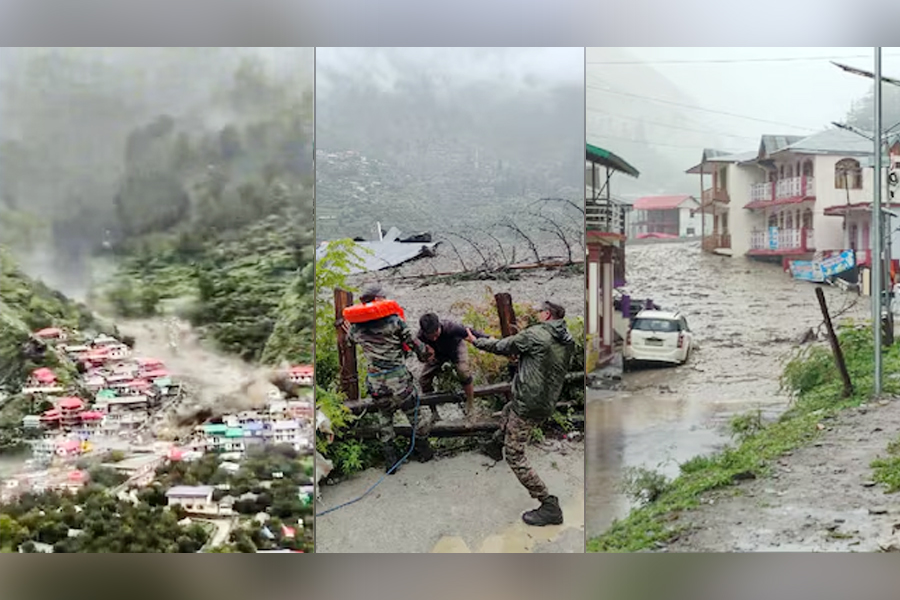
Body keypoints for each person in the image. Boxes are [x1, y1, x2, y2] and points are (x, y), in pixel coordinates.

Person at [466, 300, 574, 527]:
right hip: (545, 400)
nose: (537, 315)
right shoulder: (566, 338)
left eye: (539, 312)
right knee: (508, 410)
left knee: (515, 455)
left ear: (547, 314)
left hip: (529, 403)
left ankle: (549, 505)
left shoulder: (535, 335)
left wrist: (475, 341)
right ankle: (495, 445)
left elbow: (502, 346)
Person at [341, 285, 434, 473]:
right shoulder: (394, 322)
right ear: (378, 300)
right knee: (416, 416)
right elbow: (416, 346)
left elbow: (348, 341)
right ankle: (423, 452)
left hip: (377, 385)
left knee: (385, 420)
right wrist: (426, 354)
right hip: (400, 383)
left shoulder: (356, 328)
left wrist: (349, 330)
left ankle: (391, 462)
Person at [417, 313, 488, 421]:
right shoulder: (420, 337)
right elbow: (419, 357)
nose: (434, 338)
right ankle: (434, 412)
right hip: (437, 354)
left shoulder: (451, 328)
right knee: (424, 379)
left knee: (463, 371)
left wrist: (490, 340)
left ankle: (470, 406)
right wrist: (426, 355)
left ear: (439, 327)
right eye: (431, 337)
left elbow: (474, 334)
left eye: (436, 335)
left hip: (456, 349)